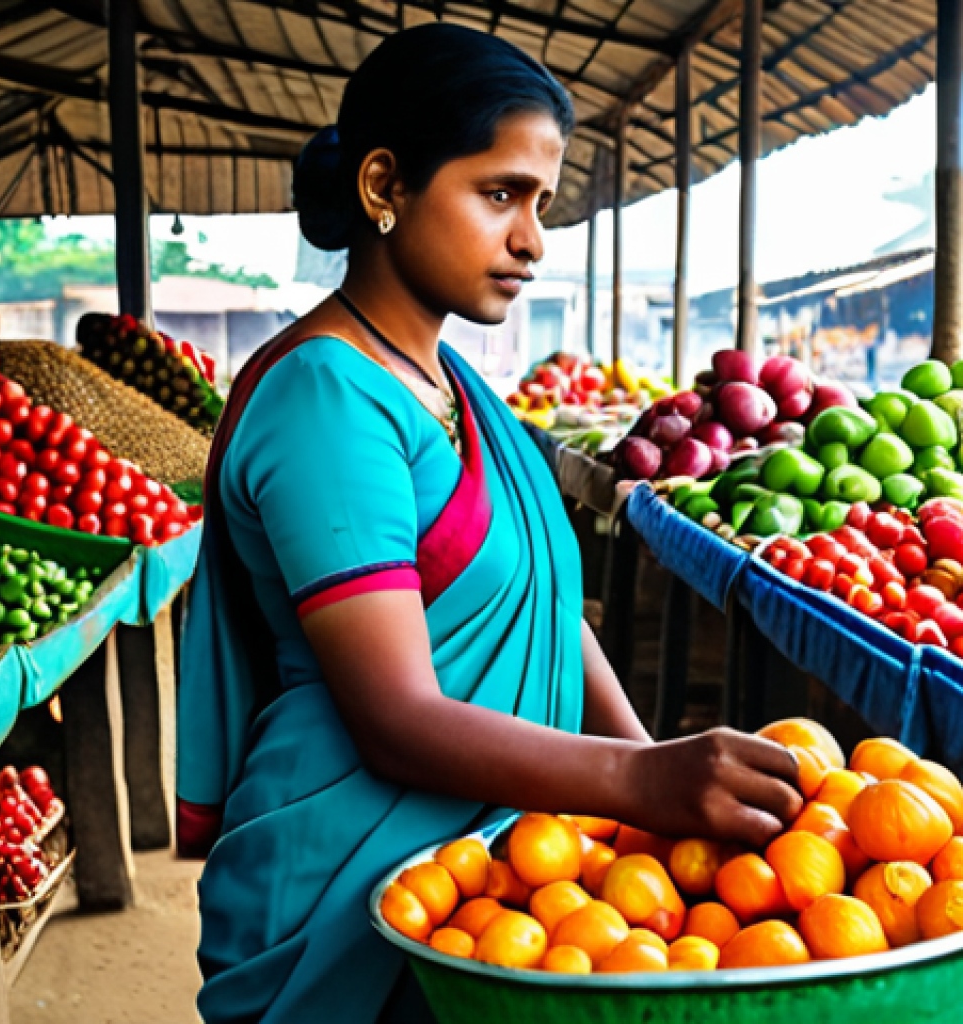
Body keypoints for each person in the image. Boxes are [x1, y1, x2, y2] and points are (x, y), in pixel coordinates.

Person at [176, 22, 803, 1024]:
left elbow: (550, 615)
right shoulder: (325, 402)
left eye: (541, 203)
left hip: (487, 873)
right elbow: (395, 719)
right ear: (384, 186)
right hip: (351, 888)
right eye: (499, 192)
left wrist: (662, 796)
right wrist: (640, 778)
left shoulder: (453, 388)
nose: (531, 240)